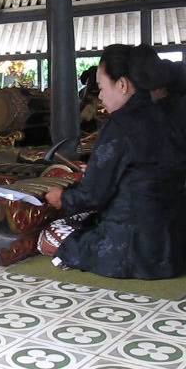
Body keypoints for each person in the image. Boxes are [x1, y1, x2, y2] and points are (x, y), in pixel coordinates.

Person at [40, 44, 186, 280]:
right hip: (172, 247)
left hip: (131, 250)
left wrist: (61, 198)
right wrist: (99, 169)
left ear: (122, 84)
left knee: (52, 234)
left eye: (101, 87)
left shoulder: (120, 125)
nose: (99, 96)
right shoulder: (169, 116)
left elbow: (93, 196)